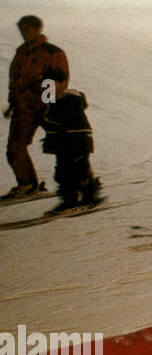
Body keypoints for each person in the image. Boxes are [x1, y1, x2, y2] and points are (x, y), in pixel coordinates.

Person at [4, 15, 67, 200]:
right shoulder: (21, 53)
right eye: (21, 30)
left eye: (27, 29)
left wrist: (47, 103)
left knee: (65, 145)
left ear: (38, 29)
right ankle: (27, 184)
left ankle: (81, 181)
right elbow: (15, 80)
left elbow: (57, 80)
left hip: (45, 107)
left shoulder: (52, 52)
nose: (23, 34)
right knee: (15, 147)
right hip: (23, 108)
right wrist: (13, 102)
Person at [38, 68, 101, 213]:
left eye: (51, 84)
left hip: (76, 141)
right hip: (63, 143)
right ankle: (71, 199)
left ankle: (86, 197)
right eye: (45, 85)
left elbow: (56, 119)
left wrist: (43, 115)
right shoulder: (53, 101)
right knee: (63, 172)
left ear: (63, 83)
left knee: (78, 170)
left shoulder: (70, 99)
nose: (47, 88)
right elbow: (48, 120)